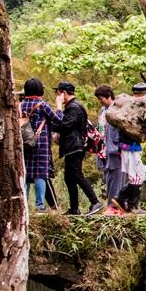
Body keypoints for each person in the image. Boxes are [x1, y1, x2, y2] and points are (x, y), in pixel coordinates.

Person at [50, 81, 101, 215]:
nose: (57, 96)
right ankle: (74, 208)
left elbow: (64, 126)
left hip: (75, 146)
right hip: (72, 146)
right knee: (69, 177)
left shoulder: (74, 107)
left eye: (58, 93)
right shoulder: (73, 106)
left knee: (77, 175)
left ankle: (95, 202)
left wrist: (59, 107)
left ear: (64, 93)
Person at [17, 78, 57, 212]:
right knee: (41, 174)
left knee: (26, 173)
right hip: (41, 143)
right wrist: (60, 108)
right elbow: (58, 120)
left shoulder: (20, 105)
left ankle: (24, 204)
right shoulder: (42, 105)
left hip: (25, 142)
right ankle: (39, 205)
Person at [118, 82, 146, 212]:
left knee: (140, 175)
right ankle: (130, 203)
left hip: (133, 146)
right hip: (132, 146)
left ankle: (123, 199)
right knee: (137, 175)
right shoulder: (133, 108)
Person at [96, 85, 126, 213]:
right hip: (104, 148)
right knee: (108, 176)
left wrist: (118, 147)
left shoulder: (117, 110)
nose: (100, 101)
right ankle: (111, 204)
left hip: (115, 148)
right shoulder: (103, 110)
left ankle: (115, 206)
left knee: (117, 176)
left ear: (108, 96)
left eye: (101, 98)